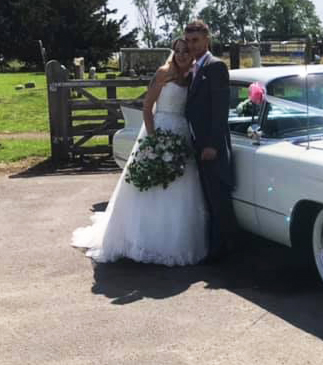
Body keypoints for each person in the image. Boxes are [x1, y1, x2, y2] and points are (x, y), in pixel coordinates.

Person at [71, 39, 208, 266]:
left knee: (181, 187)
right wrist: (153, 140)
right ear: (172, 53)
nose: (182, 55)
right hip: (160, 128)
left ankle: (174, 240)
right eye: (178, 51)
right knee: (151, 185)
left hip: (181, 133)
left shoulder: (191, 76)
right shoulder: (164, 73)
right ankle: (142, 239)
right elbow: (147, 108)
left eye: (186, 52)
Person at [183, 20, 237, 261]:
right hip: (198, 145)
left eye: (196, 40)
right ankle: (217, 250)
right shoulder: (194, 68)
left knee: (219, 202)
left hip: (211, 148)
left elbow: (220, 111)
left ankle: (227, 254)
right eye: (189, 41)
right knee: (209, 201)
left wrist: (212, 145)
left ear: (207, 39)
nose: (192, 45)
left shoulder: (216, 67)